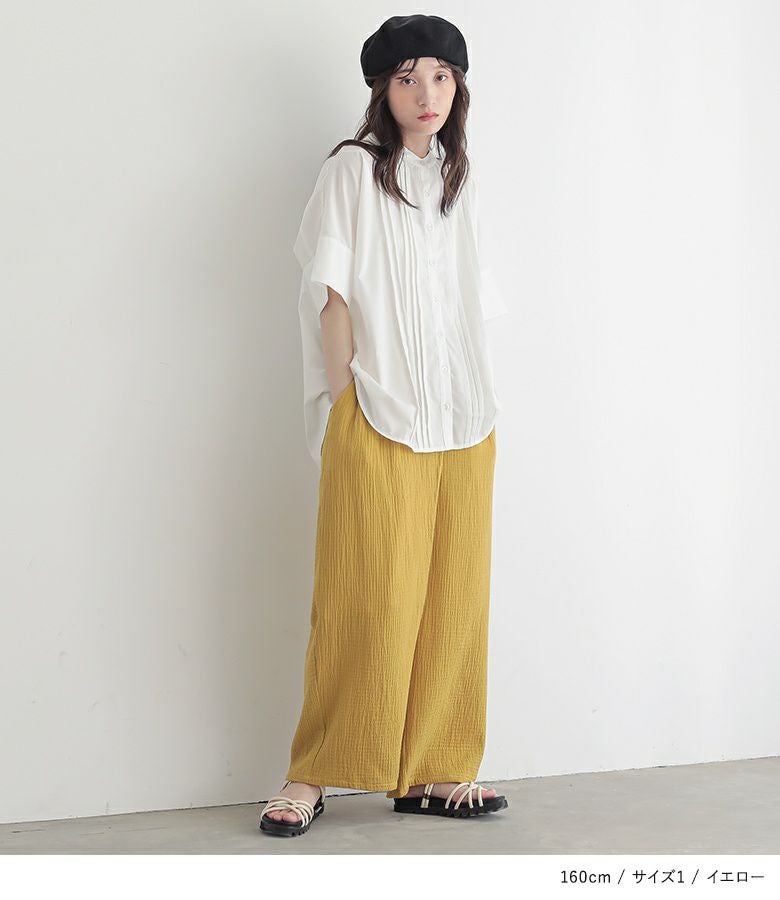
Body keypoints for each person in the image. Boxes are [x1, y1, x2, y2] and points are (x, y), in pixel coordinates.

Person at [260, 14, 510, 837]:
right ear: (382, 89)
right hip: (379, 412)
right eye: (407, 78)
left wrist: (482, 390)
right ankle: (312, 772)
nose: (426, 93)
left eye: (441, 76)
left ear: (458, 87)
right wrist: (346, 402)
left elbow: (473, 299)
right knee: (360, 598)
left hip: (465, 418)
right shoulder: (352, 171)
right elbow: (330, 292)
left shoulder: (459, 176)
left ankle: (435, 769)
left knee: (454, 601)